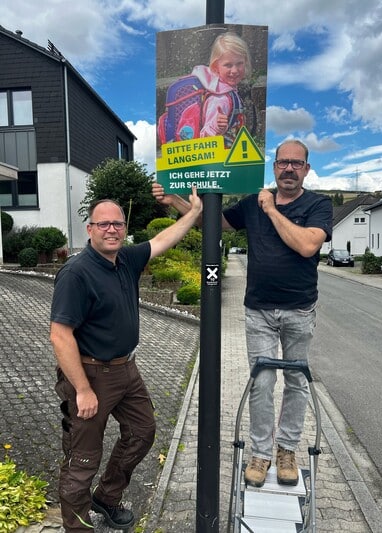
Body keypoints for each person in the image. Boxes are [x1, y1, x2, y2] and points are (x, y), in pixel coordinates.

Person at [152, 140, 333, 488]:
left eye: (297, 163)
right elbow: (214, 222)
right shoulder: (253, 203)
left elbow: (308, 244)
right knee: (262, 383)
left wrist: (270, 210)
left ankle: (287, 451)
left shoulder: (317, 204)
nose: (289, 169)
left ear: (307, 169)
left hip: (299, 310)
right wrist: (173, 201)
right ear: (274, 166)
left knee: (296, 381)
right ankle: (262, 454)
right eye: (283, 163)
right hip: (259, 311)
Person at [49, 188, 202, 532]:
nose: (111, 230)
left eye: (117, 223)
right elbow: (60, 335)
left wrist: (193, 213)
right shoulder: (77, 273)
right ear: (90, 229)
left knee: (142, 432)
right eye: (103, 224)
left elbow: (164, 239)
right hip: (89, 374)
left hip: (126, 369)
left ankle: (107, 496)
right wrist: (83, 389)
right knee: (82, 459)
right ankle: (76, 527)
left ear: (124, 227)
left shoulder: (126, 260)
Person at [192, 32, 250, 147]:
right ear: (215, 67)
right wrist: (216, 126)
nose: (234, 70)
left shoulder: (229, 90)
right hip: (220, 160)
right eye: (228, 65)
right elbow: (204, 137)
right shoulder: (220, 99)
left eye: (239, 64)